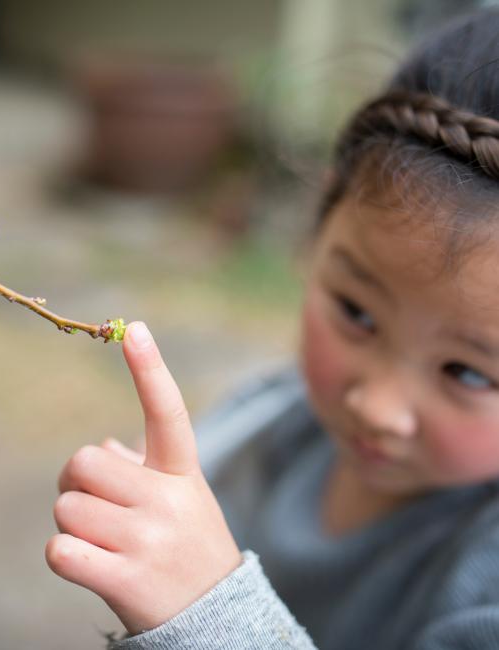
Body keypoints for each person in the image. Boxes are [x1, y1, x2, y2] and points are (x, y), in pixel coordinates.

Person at [46, 8, 499, 649]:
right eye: (357, 313)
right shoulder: (270, 422)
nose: (375, 406)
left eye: (468, 373)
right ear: (319, 228)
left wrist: (210, 612)